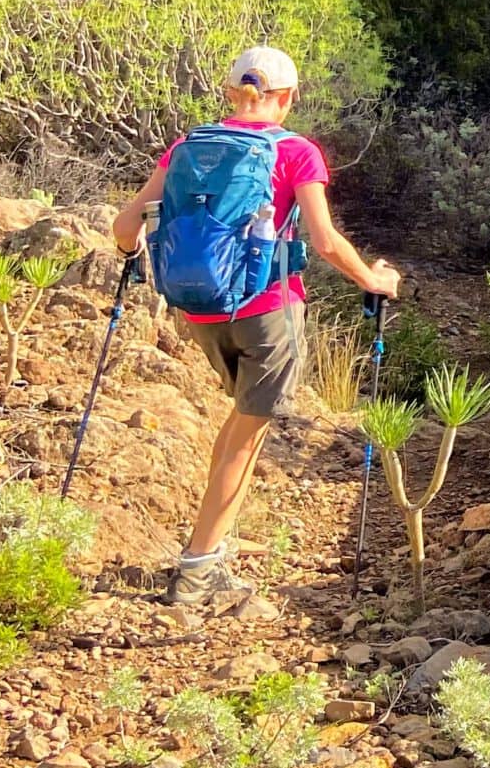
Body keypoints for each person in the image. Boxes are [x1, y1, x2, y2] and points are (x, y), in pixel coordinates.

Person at [111, 45, 399, 608]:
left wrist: (133, 251)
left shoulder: (188, 146)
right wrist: (375, 279)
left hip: (199, 311)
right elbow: (324, 242)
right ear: (288, 97)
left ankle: (209, 545)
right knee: (248, 437)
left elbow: (126, 224)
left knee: (239, 426)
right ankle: (197, 571)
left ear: (227, 93)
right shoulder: (297, 152)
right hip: (268, 312)